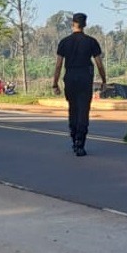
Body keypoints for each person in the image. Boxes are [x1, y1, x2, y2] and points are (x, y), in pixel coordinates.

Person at [50, 12, 107, 156]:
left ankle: (74, 138)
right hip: (85, 78)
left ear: (73, 24)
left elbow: (58, 65)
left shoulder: (64, 42)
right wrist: (104, 81)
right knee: (83, 110)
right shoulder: (91, 42)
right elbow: (99, 64)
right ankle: (80, 144)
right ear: (85, 24)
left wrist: (55, 84)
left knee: (73, 109)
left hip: (70, 78)